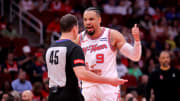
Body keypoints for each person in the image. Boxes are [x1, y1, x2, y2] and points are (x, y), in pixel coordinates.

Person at [45, 14, 128, 101]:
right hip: (70, 94)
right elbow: (81, 74)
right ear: (74, 29)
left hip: (53, 95)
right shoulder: (74, 48)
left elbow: (63, 70)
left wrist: (88, 70)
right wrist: (109, 81)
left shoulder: (50, 48)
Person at [76, 7, 142, 101]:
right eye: (85, 19)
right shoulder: (79, 39)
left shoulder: (112, 35)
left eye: (91, 19)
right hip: (88, 87)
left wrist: (137, 40)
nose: (88, 22)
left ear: (99, 20)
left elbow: (135, 56)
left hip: (108, 87)